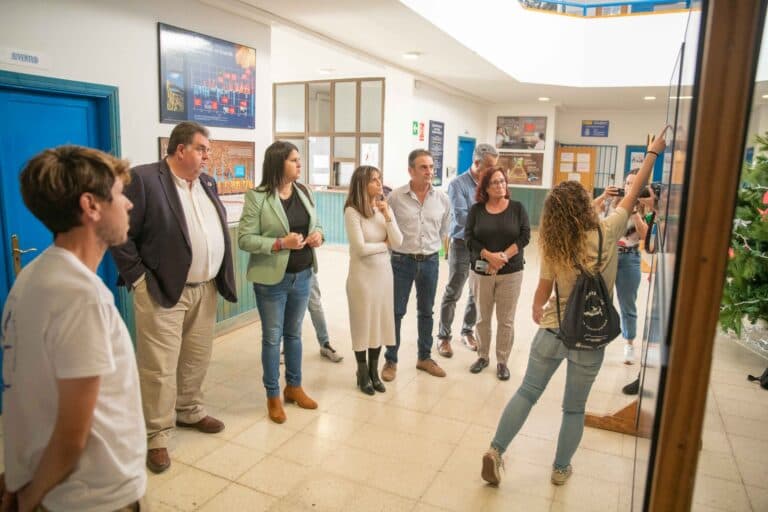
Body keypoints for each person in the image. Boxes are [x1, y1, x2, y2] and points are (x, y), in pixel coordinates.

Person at [480, 126, 669, 487]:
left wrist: (538, 309)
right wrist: (653, 153)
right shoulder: (608, 230)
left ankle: (496, 450)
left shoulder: (554, 243)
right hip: (590, 336)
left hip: (553, 329)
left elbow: (541, 296)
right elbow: (631, 194)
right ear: (586, 206)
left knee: (527, 392)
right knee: (573, 407)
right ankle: (560, 468)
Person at [1, 146, 146, 511]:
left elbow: (30, 396)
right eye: (117, 194)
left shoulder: (34, 276)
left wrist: (20, 473)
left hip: (46, 480)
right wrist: (31, 499)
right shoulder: (81, 296)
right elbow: (71, 434)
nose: (128, 205)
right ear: (91, 206)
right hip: (92, 496)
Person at [111, 121, 237, 474]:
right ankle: (156, 435)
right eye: (201, 149)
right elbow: (119, 233)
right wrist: (137, 279)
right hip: (162, 290)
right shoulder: (144, 180)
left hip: (205, 287)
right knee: (159, 367)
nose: (206, 156)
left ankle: (189, 410)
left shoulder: (206, 183)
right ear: (179, 149)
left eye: (207, 150)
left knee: (196, 357)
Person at [238, 141, 323, 424]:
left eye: (299, 160)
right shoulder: (257, 197)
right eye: (294, 160)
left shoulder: (304, 191)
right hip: (271, 280)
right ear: (278, 163)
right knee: (273, 338)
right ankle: (273, 395)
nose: (299, 164)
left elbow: (316, 224)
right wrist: (279, 243)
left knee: (295, 335)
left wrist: (317, 236)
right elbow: (245, 239)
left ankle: (294, 387)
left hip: (303, 274)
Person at [382, 149, 451, 381]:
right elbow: (387, 229)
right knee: (396, 312)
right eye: (423, 167)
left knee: (426, 312)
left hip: (430, 262)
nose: (429, 171)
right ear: (410, 170)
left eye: (431, 167)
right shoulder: (395, 198)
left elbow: (443, 232)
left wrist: (431, 250)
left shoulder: (442, 198)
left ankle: (424, 357)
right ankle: (390, 360)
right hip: (401, 262)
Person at [465, 168, 530, 380]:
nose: (500, 185)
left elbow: (524, 236)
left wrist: (502, 257)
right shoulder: (477, 210)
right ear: (485, 187)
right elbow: (468, 238)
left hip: (510, 272)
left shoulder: (517, 208)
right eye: (494, 182)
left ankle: (502, 361)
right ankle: (483, 356)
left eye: (502, 181)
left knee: (506, 319)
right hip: (482, 272)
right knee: (483, 317)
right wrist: (488, 256)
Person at [344, 166, 403, 394]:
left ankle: (374, 371)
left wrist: (388, 216)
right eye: (375, 180)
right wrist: (383, 245)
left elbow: (398, 242)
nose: (380, 184)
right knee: (362, 325)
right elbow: (359, 248)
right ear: (362, 184)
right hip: (362, 278)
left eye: (380, 179)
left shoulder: (383, 209)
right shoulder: (352, 211)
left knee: (378, 323)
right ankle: (361, 372)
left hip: (383, 277)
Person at [436, 143, 499, 358]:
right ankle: (443, 337)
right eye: (489, 167)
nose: (493, 172)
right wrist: (491, 218)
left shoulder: (491, 183)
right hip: (463, 245)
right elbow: (462, 216)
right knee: (454, 289)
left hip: (483, 248)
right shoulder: (458, 185)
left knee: (476, 291)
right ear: (477, 163)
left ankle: (467, 331)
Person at [593, 170, 649, 365]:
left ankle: (629, 344)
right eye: (627, 183)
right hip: (607, 256)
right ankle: (597, 339)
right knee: (600, 301)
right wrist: (603, 196)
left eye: (635, 184)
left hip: (630, 258)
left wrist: (634, 212)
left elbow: (645, 236)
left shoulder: (645, 207)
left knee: (627, 304)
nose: (629, 187)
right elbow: (589, 213)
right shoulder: (611, 203)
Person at [308, 272, 344, 362]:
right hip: (284, 270)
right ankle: (285, 349)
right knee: (288, 308)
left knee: (315, 306)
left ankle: (325, 344)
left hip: (306, 268)